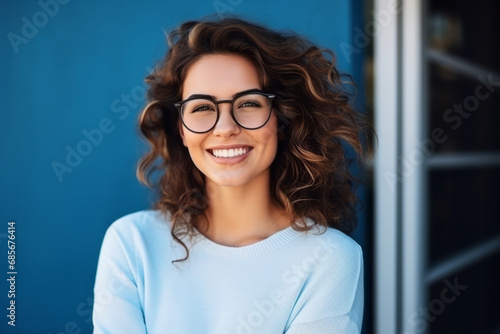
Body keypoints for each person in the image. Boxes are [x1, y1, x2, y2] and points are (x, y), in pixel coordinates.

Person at [93, 16, 370, 334]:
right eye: (201, 108)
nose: (225, 128)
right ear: (181, 129)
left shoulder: (330, 259)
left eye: (249, 103)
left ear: (280, 119)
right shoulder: (131, 244)